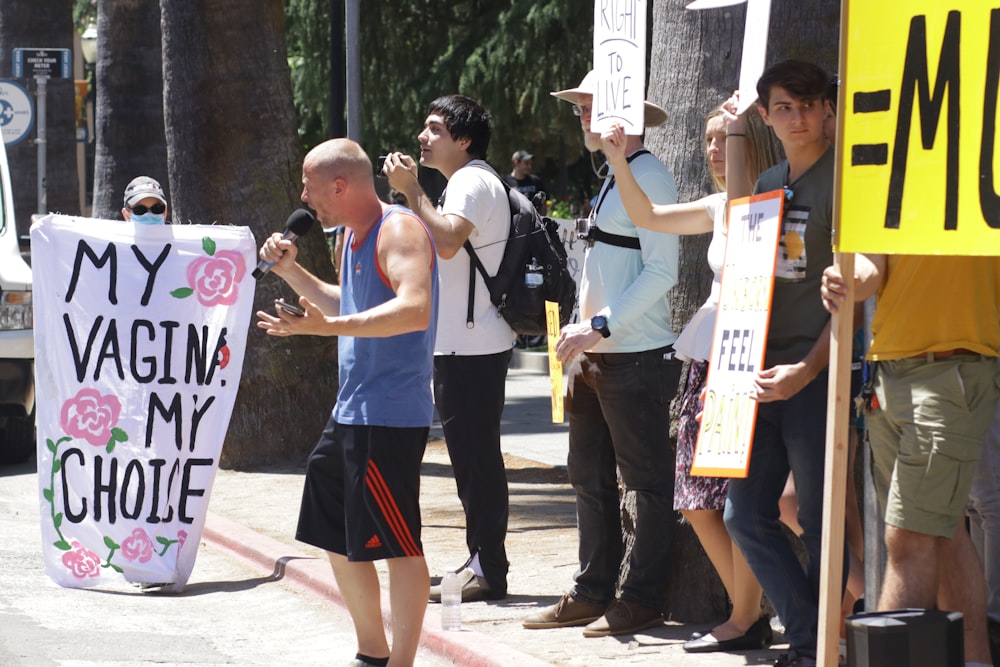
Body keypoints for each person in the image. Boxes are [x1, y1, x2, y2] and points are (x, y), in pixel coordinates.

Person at [600, 98, 780, 652]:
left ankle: (826, 603)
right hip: (710, 358)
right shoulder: (717, 204)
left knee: (755, 503)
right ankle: (748, 613)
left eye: (728, 137)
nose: (715, 150)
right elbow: (648, 217)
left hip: (756, 361)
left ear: (754, 141)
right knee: (697, 499)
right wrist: (618, 162)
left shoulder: (777, 200)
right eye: (708, 139)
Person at [255, 138, 439, 667]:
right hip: (352, 411)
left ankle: (399, 662)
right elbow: (349, 303)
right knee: (331, 531)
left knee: (400, 544)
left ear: (340, 185)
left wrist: (325, 328)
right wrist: (292, 271)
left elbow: (415, 309)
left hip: (389, 415)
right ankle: (371, 652)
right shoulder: (351, 238)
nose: (304, 197)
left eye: (310, 186)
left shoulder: (399, 229)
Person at [520, 70, 682, 638]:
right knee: (588, 477)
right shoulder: (619, 176)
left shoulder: (650, 176)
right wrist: (581, 332)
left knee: (646, 482)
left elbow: (665, 270)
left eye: (595, 105)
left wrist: (598, 325)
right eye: (580, 107)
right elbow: (609, 266)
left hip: (633, 355)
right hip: (596, 353)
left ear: (629, 113)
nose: (584, 115)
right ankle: (593, 590)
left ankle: (640, 598)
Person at [715, 60, 841, 667]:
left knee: (821, 524)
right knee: (743, 515)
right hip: (758, 374)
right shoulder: (769, 178)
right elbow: (743, 255)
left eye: (809, 105)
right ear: (767, 115)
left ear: (828, 113)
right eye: (784, 108)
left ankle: (818, 647)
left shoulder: (843, 186)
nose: (798, 117)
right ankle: (812, 634)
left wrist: (810, 371)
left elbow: (855, 304)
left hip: (817, 375)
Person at [821, 255, 1000, 667]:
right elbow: (872, 266)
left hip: (955, 367)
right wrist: (846, 280)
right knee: (943, 530)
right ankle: (976, 662)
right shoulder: (883, 188)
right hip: (887, 375)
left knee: (909, 538)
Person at [385, 95, 515, 603]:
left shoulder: (471, 181)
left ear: (463, 140)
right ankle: (483, 559)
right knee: (472, 459)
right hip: (467, 343)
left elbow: (446, 241)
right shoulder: (467, 181)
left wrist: (411, 188)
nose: (423, 136)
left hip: (472, 345)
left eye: (434, 128)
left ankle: (489, 567)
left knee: (477, 460)